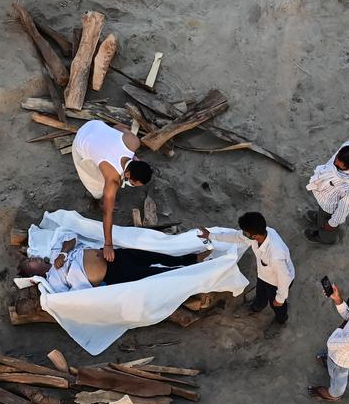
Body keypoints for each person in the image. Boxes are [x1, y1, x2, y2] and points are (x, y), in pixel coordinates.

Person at [197, 212, 295, 334]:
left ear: (254, 236)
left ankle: (281, 319)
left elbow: (284, 278)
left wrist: (280, 298)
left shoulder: (276, 254)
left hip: (277, 282)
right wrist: (210, 235)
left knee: (276, 304)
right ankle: (256, 307)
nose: (242, 234)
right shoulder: (260, 234)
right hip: (264, 275)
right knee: (260, 293)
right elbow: (236, 237)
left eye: (245, 232)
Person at [71, 120, 154, 262]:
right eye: (133, 183)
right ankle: (97, 200)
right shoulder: (112, 181)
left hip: (95, 125)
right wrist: (108, 244)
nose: (133, 186)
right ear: (127, 175)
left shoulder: (133, 142)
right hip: (81, 141)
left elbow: (118, 127)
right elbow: (107, 215)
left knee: (102, 163)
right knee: (96, 184)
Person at [18, 233, 209, 292]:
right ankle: (193, 275)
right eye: (29, 263)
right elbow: (73, 296)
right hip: (111, 275)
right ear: (35, 274)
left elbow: (71, 238)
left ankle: (192, 259)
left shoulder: (54, 255)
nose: (32, 259)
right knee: (153, 273)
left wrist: (63, 253)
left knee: (153, 254)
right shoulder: (54, 281)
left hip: (111, 255)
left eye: (29, 258)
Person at [304, 140, 349, 245]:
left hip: (330, 210)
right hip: (327, 197)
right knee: (322, 212)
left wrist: (331, 224)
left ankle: (326, 238)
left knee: (327, 223)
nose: (335, 164)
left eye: (339, 167)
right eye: (336, 160)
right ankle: (320, 217)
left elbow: (343, 210)